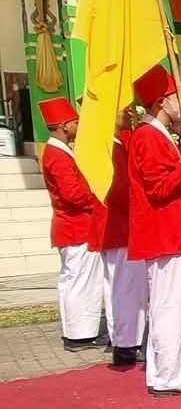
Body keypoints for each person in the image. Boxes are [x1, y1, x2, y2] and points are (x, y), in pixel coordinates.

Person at [128, 65, 181, 395]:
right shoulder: (147, 136)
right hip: (163, 233)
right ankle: (169, 375)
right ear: (162, 102)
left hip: (173, 231)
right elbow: (160, 188)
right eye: (176, 97)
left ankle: (172, 370)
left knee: (177, 305)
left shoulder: (159, 134)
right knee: (169, 306)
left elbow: (178, 177)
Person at [39, 97, 103, 353]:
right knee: (81, 281)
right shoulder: (57, 155)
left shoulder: (57, 151)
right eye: (75, 122)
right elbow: (72, 194)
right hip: (76, 226)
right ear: (64, 126)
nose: (78, 126)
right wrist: (96, 196)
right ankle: (81, 335)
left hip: (73, 226)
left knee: (74, 280)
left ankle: (77, 332)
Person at [100, 108, 147, 366]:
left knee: (119, 287)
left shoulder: (114, 145)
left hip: (119, 226)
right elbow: (118, 190)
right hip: (121, 226)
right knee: (127, 288)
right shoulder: (112, 148)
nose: (129, 113)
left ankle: (124, 339)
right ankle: (127, 343)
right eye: (122, 110)